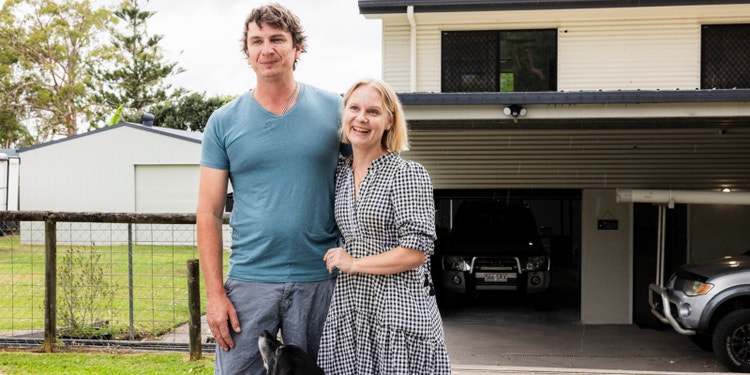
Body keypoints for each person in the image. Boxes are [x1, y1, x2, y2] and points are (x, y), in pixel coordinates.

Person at [196, 4, 343, 374]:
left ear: (297, 48)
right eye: (256, 41)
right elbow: (208, 213)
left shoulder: (335, 110)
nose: (267, 49)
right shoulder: (223, 122)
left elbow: (368, 173)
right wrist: (215, 296)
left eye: (277, 39)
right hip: (248, 281)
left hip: (320, 280)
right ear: (247, 53)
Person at [317, 79, 451, 374]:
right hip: (351, 308)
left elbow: (417, 251)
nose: (361, 118)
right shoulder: (339, 172)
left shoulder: (406, 173)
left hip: (397, 310)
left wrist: (354, 264)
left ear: (389, 120)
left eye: (373, 111)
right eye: (354, 108)